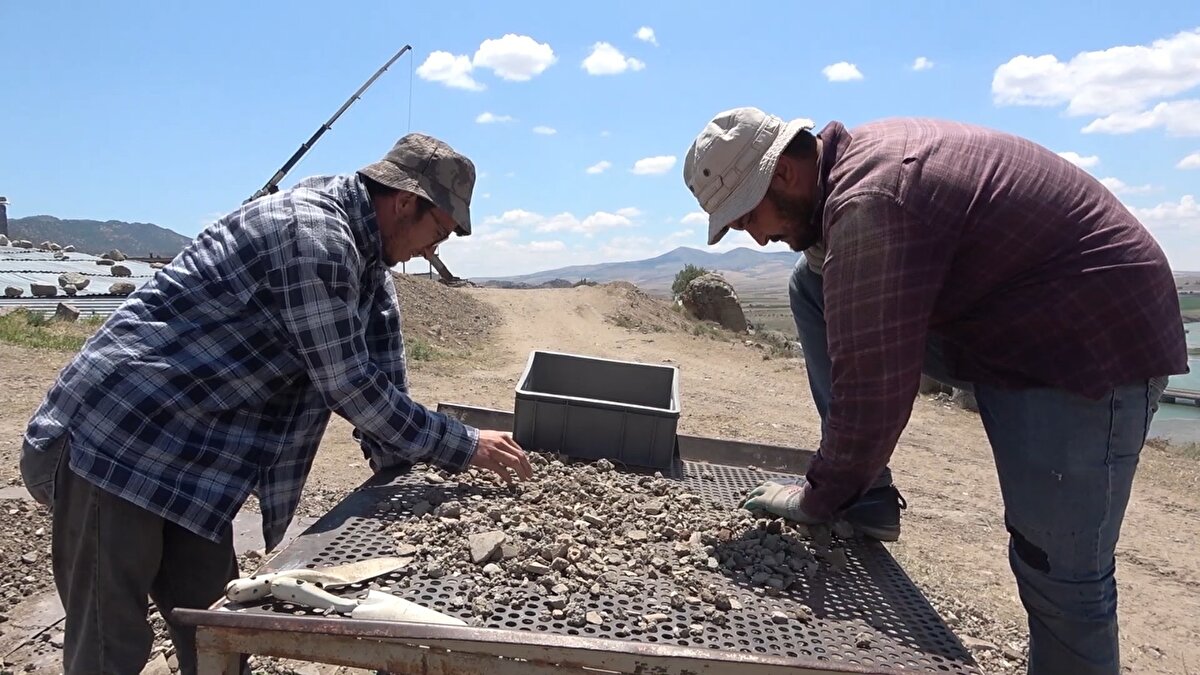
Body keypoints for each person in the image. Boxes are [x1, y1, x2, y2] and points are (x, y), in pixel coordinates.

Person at [683, 107, 1188, 674]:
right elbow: (859, 333)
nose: (758, 237)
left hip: (1086, 340)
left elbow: (871, 387)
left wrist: (816, 496)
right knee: (812, 281)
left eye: (749, 217)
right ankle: (865, 494)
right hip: (1008, 319)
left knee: (1059, 575)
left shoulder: (873, 199)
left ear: (782, 175)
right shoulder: (852, 179)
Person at [20, 133, 533, 675]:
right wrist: (466, 444)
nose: (433, 249)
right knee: (109, 648)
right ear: (405, 201)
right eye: (439, 232)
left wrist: (402, 479)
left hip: (196, 464)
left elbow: (384, 376)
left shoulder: (368, 266)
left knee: (219, 634)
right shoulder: (312, 233)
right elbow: (349, 385)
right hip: (122, 441)